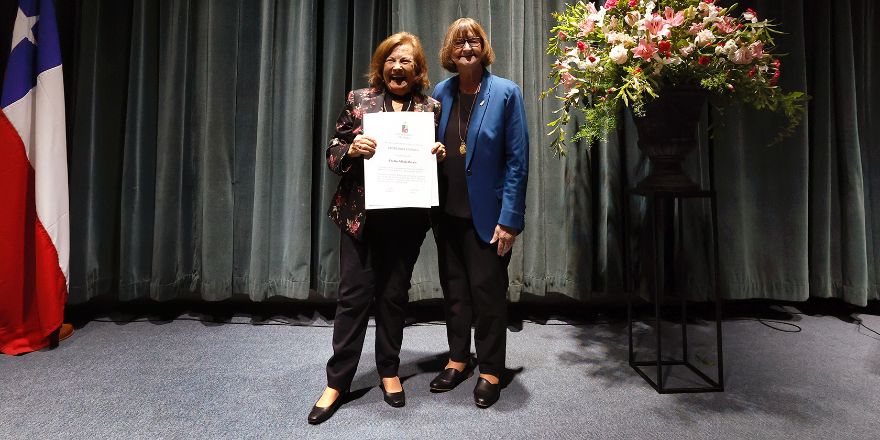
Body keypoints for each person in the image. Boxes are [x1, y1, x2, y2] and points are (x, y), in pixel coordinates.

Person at [309, 32, 446, 425]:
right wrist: (350, 150)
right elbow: (333, 153)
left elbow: (436, 158)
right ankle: (337, 382)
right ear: (381, 66)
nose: (397, 67)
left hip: (406, 223)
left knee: (393, 299)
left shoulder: (430, 108)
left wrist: (436, 153)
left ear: (418, 70)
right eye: (391, 60)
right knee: (353, 300)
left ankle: (389, 371)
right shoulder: (359, 100)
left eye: (406, 61)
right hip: (361, 222)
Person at [429, 18, 529, 409]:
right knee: (454, 292)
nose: (466, 47)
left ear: (483, 47)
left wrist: (510, 220)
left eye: (473, 41)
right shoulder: (441, 91)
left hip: (489, 217)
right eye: (459, 42)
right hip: (446, 212)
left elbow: (517, 162)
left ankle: (490, 368)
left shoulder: (506, 92)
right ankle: (458, 359)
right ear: (449, 51)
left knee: (487, 295)